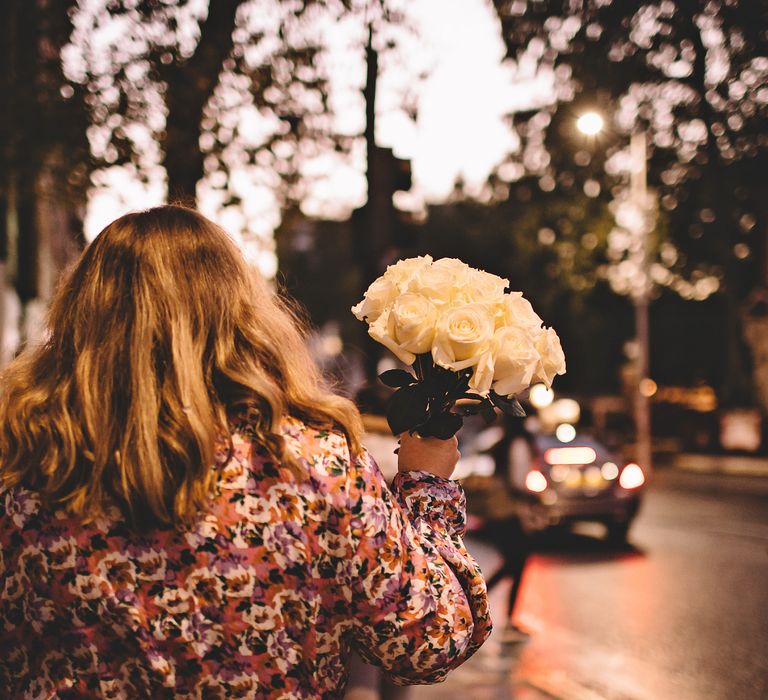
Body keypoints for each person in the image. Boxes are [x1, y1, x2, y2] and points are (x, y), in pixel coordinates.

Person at [0, 206, 491, 699]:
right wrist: (427, 493)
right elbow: (430, 641)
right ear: (240, 314)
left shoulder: (20, 464)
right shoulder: (313, 465)